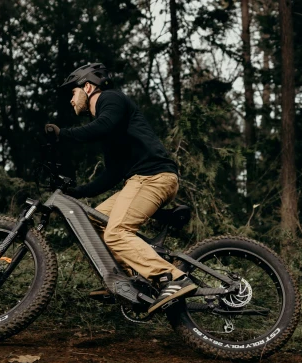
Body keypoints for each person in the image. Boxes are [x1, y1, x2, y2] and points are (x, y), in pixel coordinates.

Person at [44, 63, 196, 313]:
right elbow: (112, 173)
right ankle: (126, 282)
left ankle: (173, 278)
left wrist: (63, 135)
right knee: (90, 220)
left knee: (116, 232)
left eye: (73, 92)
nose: (71, 100)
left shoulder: (111, 99)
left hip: (152, 177)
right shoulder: (109, 128)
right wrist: (79, 192)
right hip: (141, 180)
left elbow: (102, 126)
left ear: (88, 86)